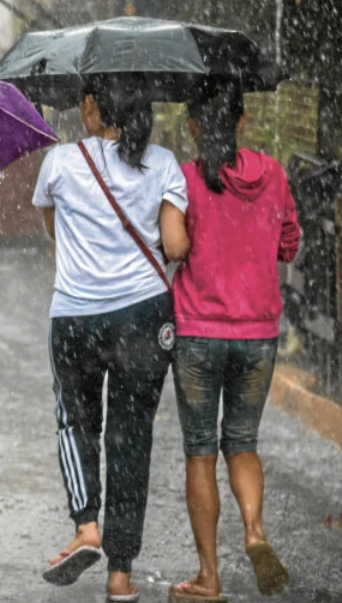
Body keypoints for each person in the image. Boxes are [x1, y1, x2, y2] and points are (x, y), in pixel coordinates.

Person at [32, 77, 188, 601]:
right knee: (130, 437)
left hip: (75, 315)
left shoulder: (60, 162)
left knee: (75, 422)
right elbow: (172, 244)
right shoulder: (164, 163)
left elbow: (53, 229)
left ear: (94, 108)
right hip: (143, 317)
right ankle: (120, 573)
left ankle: (86, 527)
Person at [165, 80, 298, 602]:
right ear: (242, 121)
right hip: (259, 335)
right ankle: (255, 532)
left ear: (194, 125)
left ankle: (208, 578)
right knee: (242, 443)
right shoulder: (276, 175)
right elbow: (289, 245)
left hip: (199, 333)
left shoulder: (187, 180)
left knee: (201, 452)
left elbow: (171, 247)